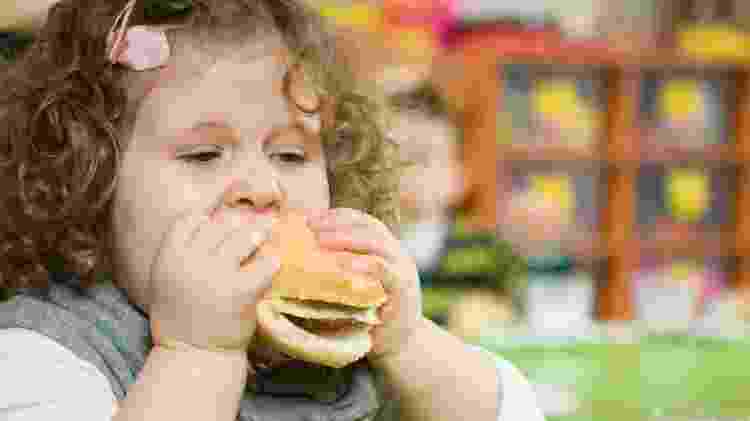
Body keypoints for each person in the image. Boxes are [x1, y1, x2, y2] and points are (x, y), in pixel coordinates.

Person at [0, 1, 545, 420]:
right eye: (205, 154)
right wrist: (197, 354)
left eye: (290, 154)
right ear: (88, 182)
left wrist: (410, 343)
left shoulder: (356, 351)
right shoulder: (42, 356)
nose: (263, 188)